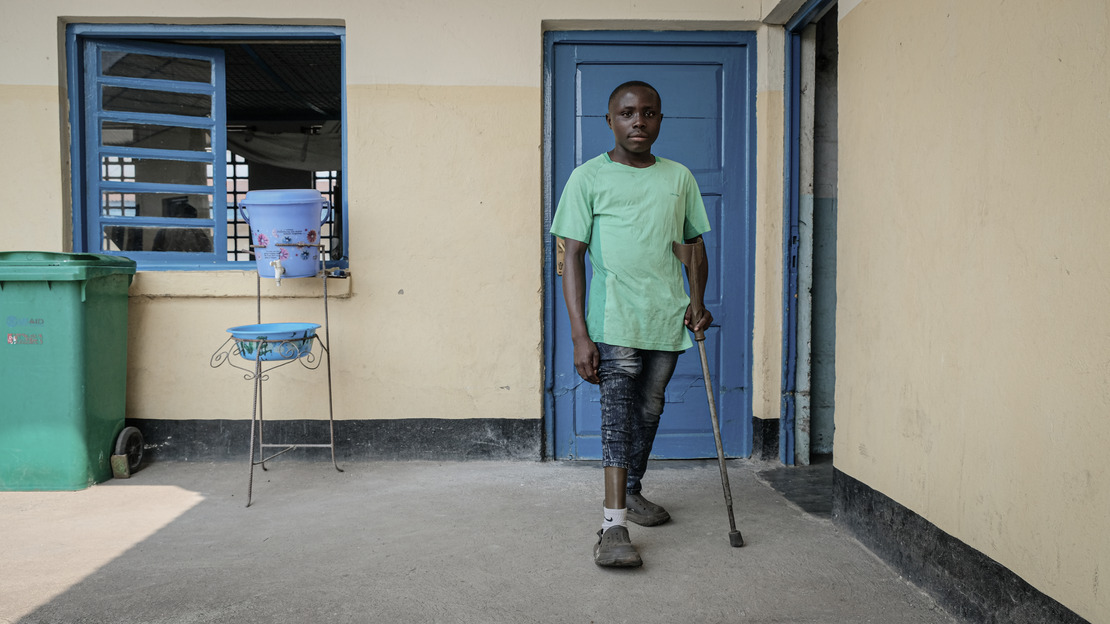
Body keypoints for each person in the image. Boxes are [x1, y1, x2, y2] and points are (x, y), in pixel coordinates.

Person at [550, 80, 713, 567]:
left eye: (648, 113)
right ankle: (613, 526)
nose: (637, 121)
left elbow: (695, 247)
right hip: (614, 317)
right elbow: (571, 257)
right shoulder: (587, 178)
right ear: (610, 121)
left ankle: (633, 491)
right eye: (626, 113)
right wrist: (580, 334)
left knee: (649, 409)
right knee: (617, 418)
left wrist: (698, 301)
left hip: (666, 316)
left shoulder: (679, 177)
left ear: (661, 119)